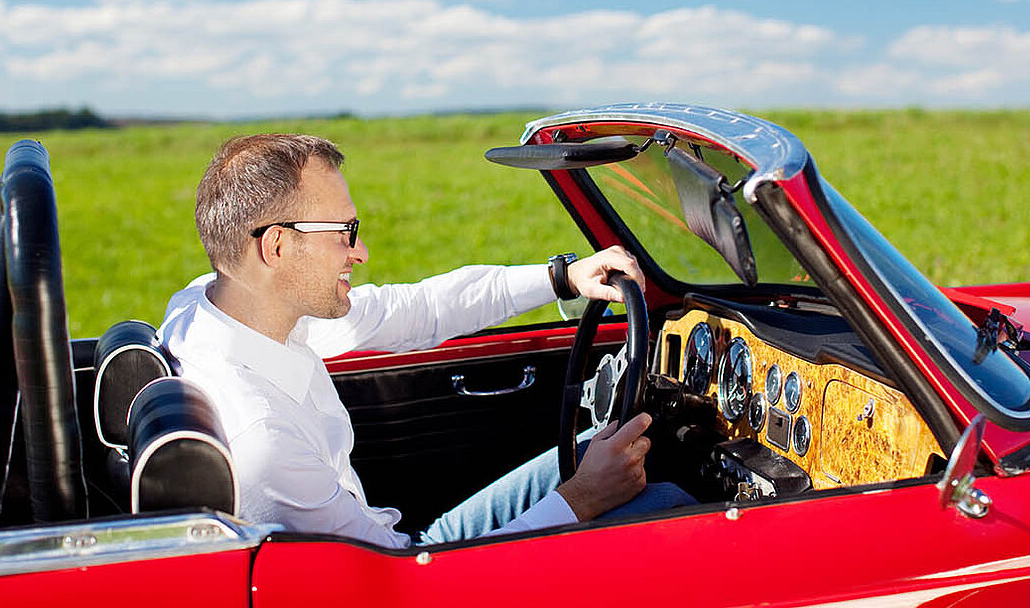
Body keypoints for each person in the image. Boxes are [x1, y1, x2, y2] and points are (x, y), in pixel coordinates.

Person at [158, 133, 688, 547]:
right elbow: (401, 588)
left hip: (392, 550)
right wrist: (582, 499)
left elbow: (416, 309)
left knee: (599, 450)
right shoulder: (265, 445)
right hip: (406, 571)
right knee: (670, 504)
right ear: (275, 246)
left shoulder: (219, 304)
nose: (360, 250)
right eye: (344, 231)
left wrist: (561, 278)